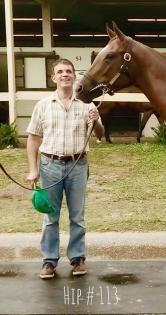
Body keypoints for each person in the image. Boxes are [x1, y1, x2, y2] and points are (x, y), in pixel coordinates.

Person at [26, 58, 104, 279]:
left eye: (68, 71)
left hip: (78, 165)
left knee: (77, 217)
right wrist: (33, 170)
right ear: (53, 78)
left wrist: (97, 120)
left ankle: (78, 259)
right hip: (49, 165)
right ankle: (49, 261)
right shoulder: (42, 105)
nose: (65, 75)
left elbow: (99, 135)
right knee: (50, 217)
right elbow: (33, 140)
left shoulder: (87, 104)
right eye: (60, 72)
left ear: (74, 76)